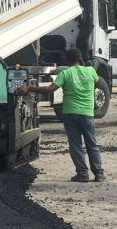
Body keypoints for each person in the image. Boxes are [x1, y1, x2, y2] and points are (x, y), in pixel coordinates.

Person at [16, 47, 104, 183]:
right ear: (80, 59)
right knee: (92, 144)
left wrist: (29, 88)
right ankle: (99, 174)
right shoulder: (91, 71)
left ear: (68, 60)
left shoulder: (66, 73)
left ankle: (82, 174)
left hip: (70, 113)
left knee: (76, 145)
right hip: (87, 114)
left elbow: (49, 89)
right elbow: (98, 82)